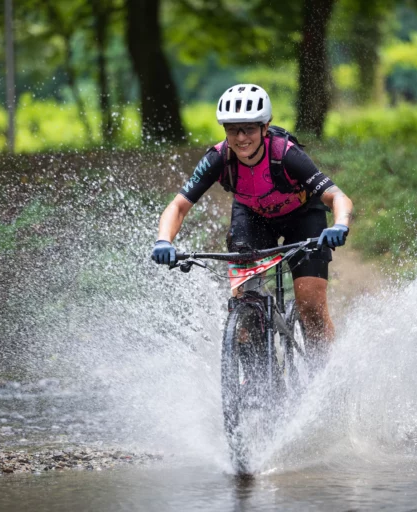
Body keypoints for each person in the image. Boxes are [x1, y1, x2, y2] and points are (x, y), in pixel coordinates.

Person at [150, 84, 354, 356]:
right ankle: (257, 381)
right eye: (233, 129)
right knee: (243, 303)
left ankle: (324, 380)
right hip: (253, 219)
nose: (241, 137)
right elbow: (178, 206)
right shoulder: (218, 158)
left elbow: (337, 196)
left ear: (265, 127)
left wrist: (340, 224)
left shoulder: (286, 154)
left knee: (311, 307)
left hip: (303, 218)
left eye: (249, 128)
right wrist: (164, 240)